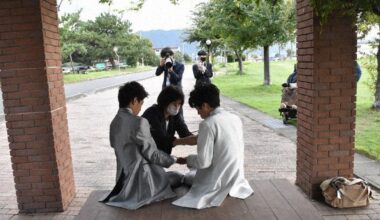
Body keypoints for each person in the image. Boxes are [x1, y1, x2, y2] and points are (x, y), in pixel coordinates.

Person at [100, 81, 185, 210]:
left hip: (121, 182)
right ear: (134, 100)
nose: (140, 108)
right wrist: (174, 159)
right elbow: (153, 155)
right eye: (141, 103)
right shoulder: (139, 122)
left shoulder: (114, 123)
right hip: (144, 182)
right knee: (178, 177)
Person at [172, 84, 253, 209]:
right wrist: (176, 142)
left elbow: (203, 162)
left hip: (218, 182)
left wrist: (187, 159)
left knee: (187, 177)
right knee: (194, 169)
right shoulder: (234, 118)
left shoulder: (208, 124)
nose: (198, 113)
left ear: (205, 105)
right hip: (236, 178)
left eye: (198, 109)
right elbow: (199, 139)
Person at [142, 86, 196, 155]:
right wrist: (182, 141)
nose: (177, 106)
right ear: (165, 102)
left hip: (160, 156)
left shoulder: (175, 116)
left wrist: (198, 138)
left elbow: (184, 133)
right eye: (174, 103)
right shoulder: (152, 113)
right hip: (146, 155)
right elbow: (160, 139)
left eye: (179, 104)